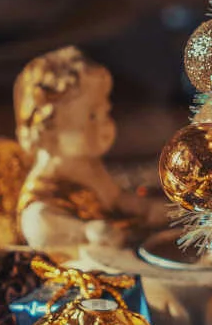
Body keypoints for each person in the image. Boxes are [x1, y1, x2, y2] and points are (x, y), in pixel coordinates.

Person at [14, 46, 159, 252]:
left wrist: (145, 209)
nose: (105, 125)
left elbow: (114, 198)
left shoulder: (90, 166)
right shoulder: (45, 186)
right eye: (92, 116)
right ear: (49, 128)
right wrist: (83, 231)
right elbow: (36, 225)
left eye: (106, 113)